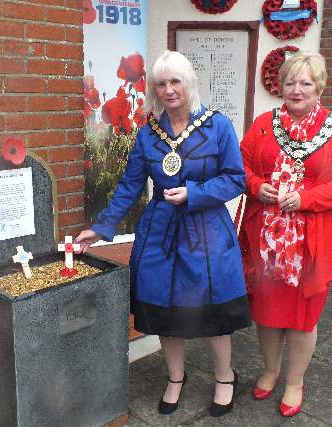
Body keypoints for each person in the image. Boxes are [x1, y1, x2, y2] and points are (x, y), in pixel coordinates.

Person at [75, 50, 250, 417]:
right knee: (163, 306)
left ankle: (224, 377)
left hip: (206, 231)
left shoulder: (218, 126)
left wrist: (195, 194)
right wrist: (101, 226)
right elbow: (130, 185)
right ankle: (175, 377)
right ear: (154, 90)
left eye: (175, 81)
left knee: (213, 308)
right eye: (161, 83)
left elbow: (236, 179)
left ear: (189, 84)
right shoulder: (147, 134)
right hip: (160, 231)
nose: (169, 90)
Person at [237, 52, 332, 417]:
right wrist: (257, 187)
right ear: (281, 86)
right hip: (266, 244)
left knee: (303, 319)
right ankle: (271, 371)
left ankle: (294, 381)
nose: (296, 89)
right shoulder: (263, 124)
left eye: (305, 82)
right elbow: (239, 166)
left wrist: (306, 198)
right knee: (266, 313)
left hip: (312, 245)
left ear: (318, 86)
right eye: (290, 82)